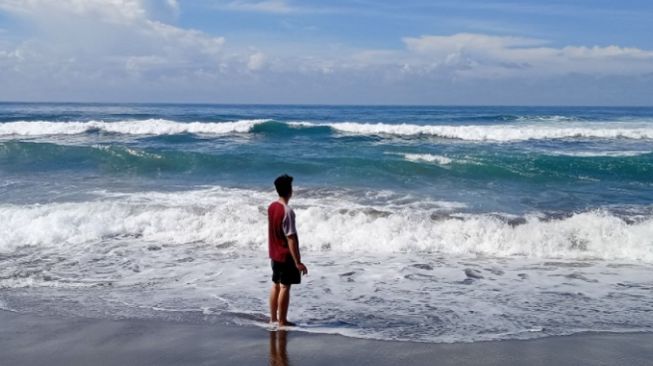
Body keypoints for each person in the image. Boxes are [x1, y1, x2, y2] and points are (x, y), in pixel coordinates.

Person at [268, 174, 308, 326]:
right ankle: (282, 321)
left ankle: (273, 318)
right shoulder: (288, 211)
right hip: (285, 256)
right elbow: (291, 238)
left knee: (275, 284)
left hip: (274, 254)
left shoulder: (272, 207)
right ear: (289, 190)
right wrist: (298, 262)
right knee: (285, 286)